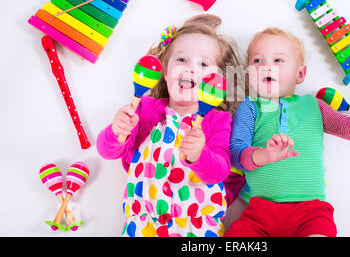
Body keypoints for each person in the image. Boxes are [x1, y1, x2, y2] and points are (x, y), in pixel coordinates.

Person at [225, 27, 350, 237]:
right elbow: (235, 154)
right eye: (257, 61)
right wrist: (263, 155)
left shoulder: (314, 106)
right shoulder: (250, 107)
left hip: (311, 212)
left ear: (300, 74)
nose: (267, 66)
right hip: (259, 213)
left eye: (278, 60)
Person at [97, 14, 243, 237]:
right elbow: (108, 152)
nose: (190, 69)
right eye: (181, 60)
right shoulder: (144, 108)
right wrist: (117, 131)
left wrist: (198, 155)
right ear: (165, 72)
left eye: (203, 64)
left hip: (197, 225)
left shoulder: (217, 120)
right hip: (143, 224)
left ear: (217, 80)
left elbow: (219, 173)